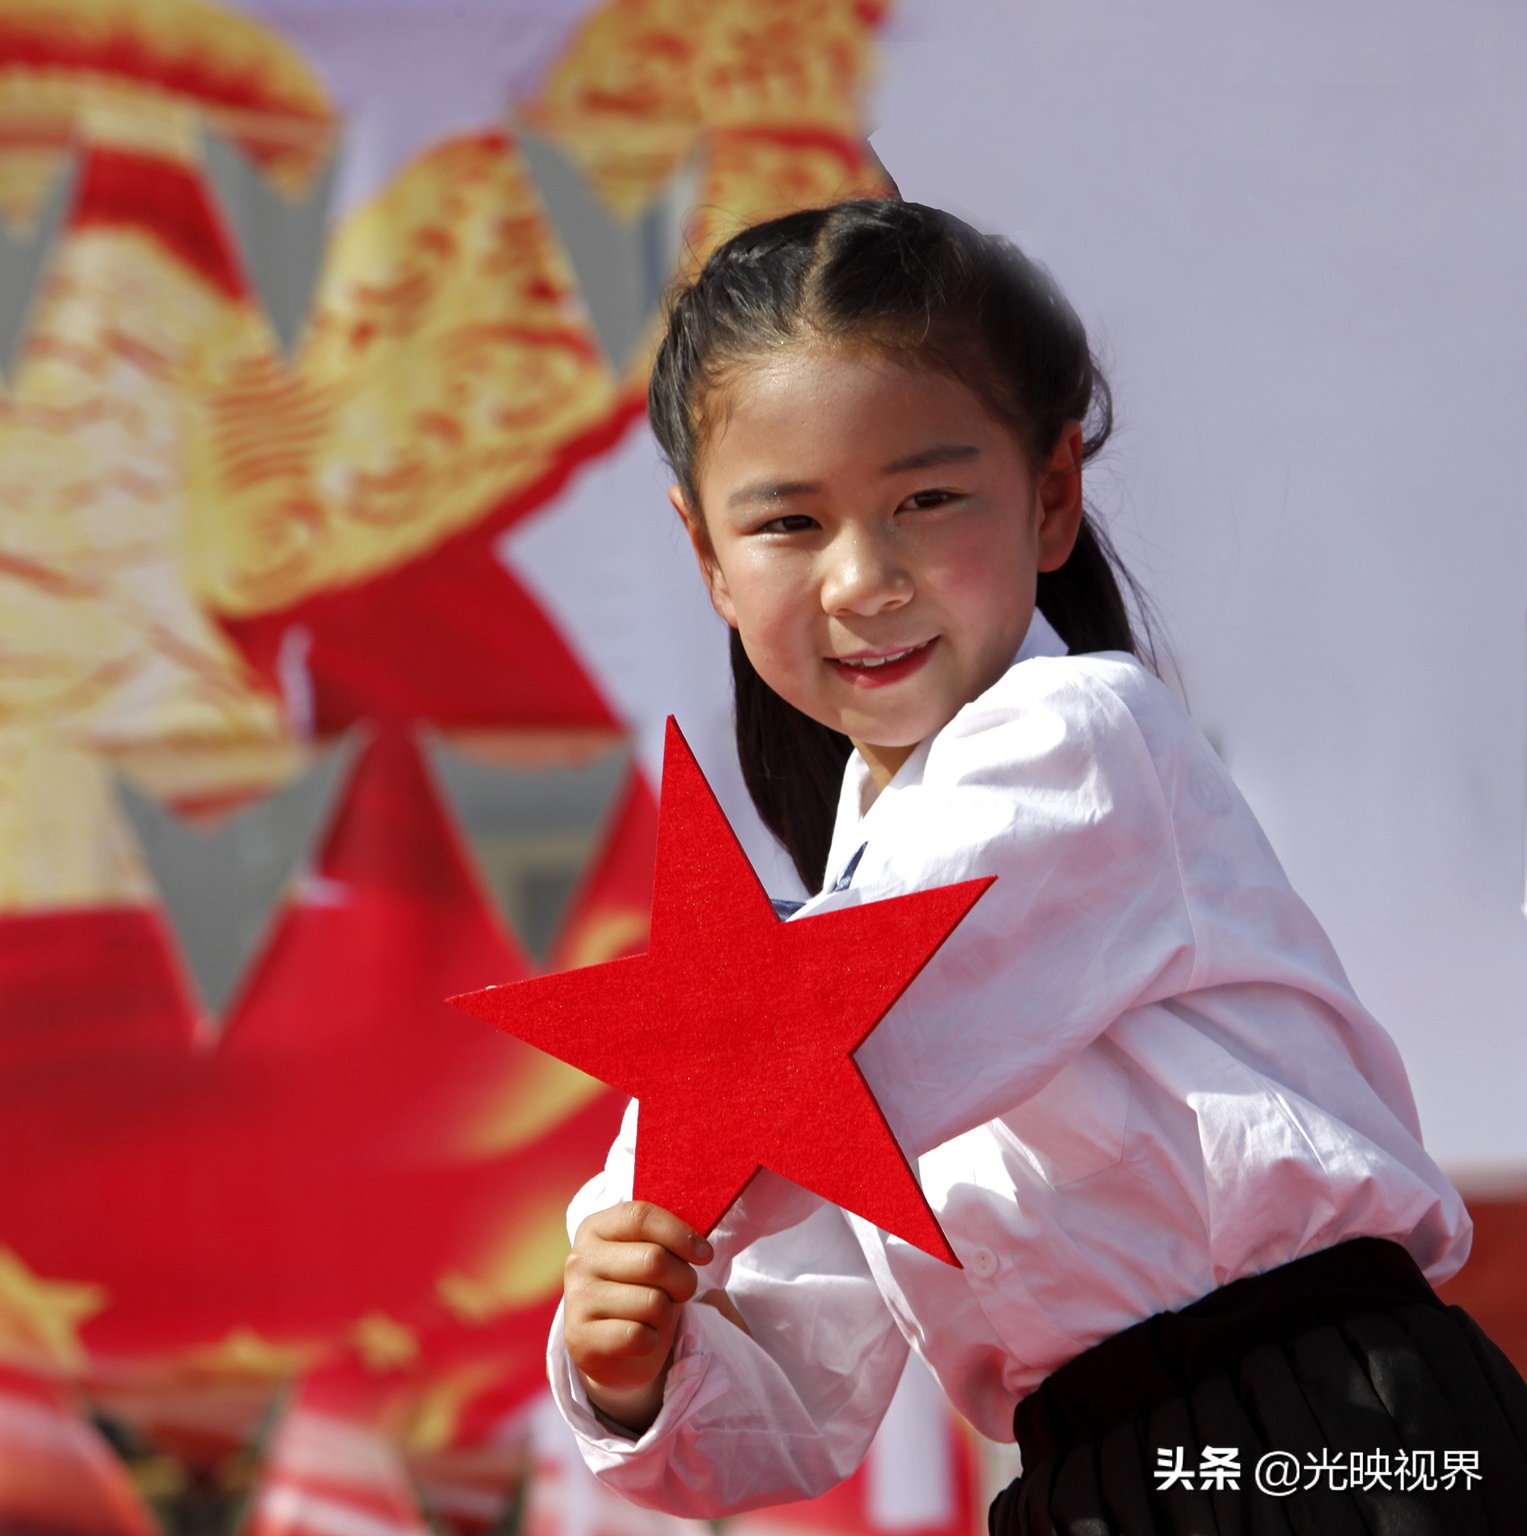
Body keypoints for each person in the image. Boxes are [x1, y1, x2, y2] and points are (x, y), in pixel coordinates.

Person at [549, 200, 1527, 1534]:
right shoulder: (843, 901)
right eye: (788, 524)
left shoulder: (1079, 742)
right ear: (706, 556)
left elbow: (820, 1047)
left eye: (926, 499)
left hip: (1327, 1435)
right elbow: (796, 1396)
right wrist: (633, 1354)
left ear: (1052, 493)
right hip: (1090, 1482)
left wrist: (641, 1199)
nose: (862, 579)